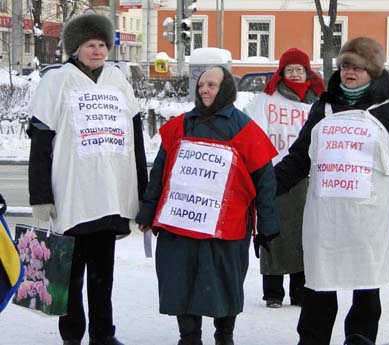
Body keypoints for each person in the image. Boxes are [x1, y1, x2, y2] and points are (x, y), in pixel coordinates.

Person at [274, 37, 389, 345]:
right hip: (325, 219)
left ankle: (360, 338)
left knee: (366, 287)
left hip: (368, 221)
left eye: (356, 67)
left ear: (372, 71)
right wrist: (266, 187)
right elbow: (299, 157)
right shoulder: (324, 108)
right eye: (345, 66)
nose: (349, 73)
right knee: (318, 286)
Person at [136, 65, 280, 345]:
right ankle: (188, 338)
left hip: (227, 229)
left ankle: (224, 336)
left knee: (223, 284)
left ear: (225, 88)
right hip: (179, 226)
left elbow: (265, 180)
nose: (204, 90)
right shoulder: (179, 126)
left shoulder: (245, 128)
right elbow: (160, 172)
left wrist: (269, 224)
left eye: (212, 85)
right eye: (201, 85)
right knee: (181, 281)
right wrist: (148, 210)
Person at [27, 13, 148, 345]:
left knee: (102, 275)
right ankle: (72, 335)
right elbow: (40, 141)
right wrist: (40, 195)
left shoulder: (118, 80)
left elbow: (134, 139)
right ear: (75, 48)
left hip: (109, 196)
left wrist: (142, 192)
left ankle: (102, 334)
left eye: (102, 45)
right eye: (90, 45)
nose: (97, 51)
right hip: (72, 195)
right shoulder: (57, 80)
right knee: (68, 273)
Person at [244, 48, 325, 308]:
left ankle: (300, 291)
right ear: (281, 73)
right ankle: (273, 292)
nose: (294, 74)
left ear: (307, 73)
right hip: (276, 174)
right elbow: (253, 133)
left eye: (299, 70)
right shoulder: (267, 100)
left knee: (305, 235)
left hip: (308, 176)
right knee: (275, 233)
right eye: (289, 70)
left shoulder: (319, 103)